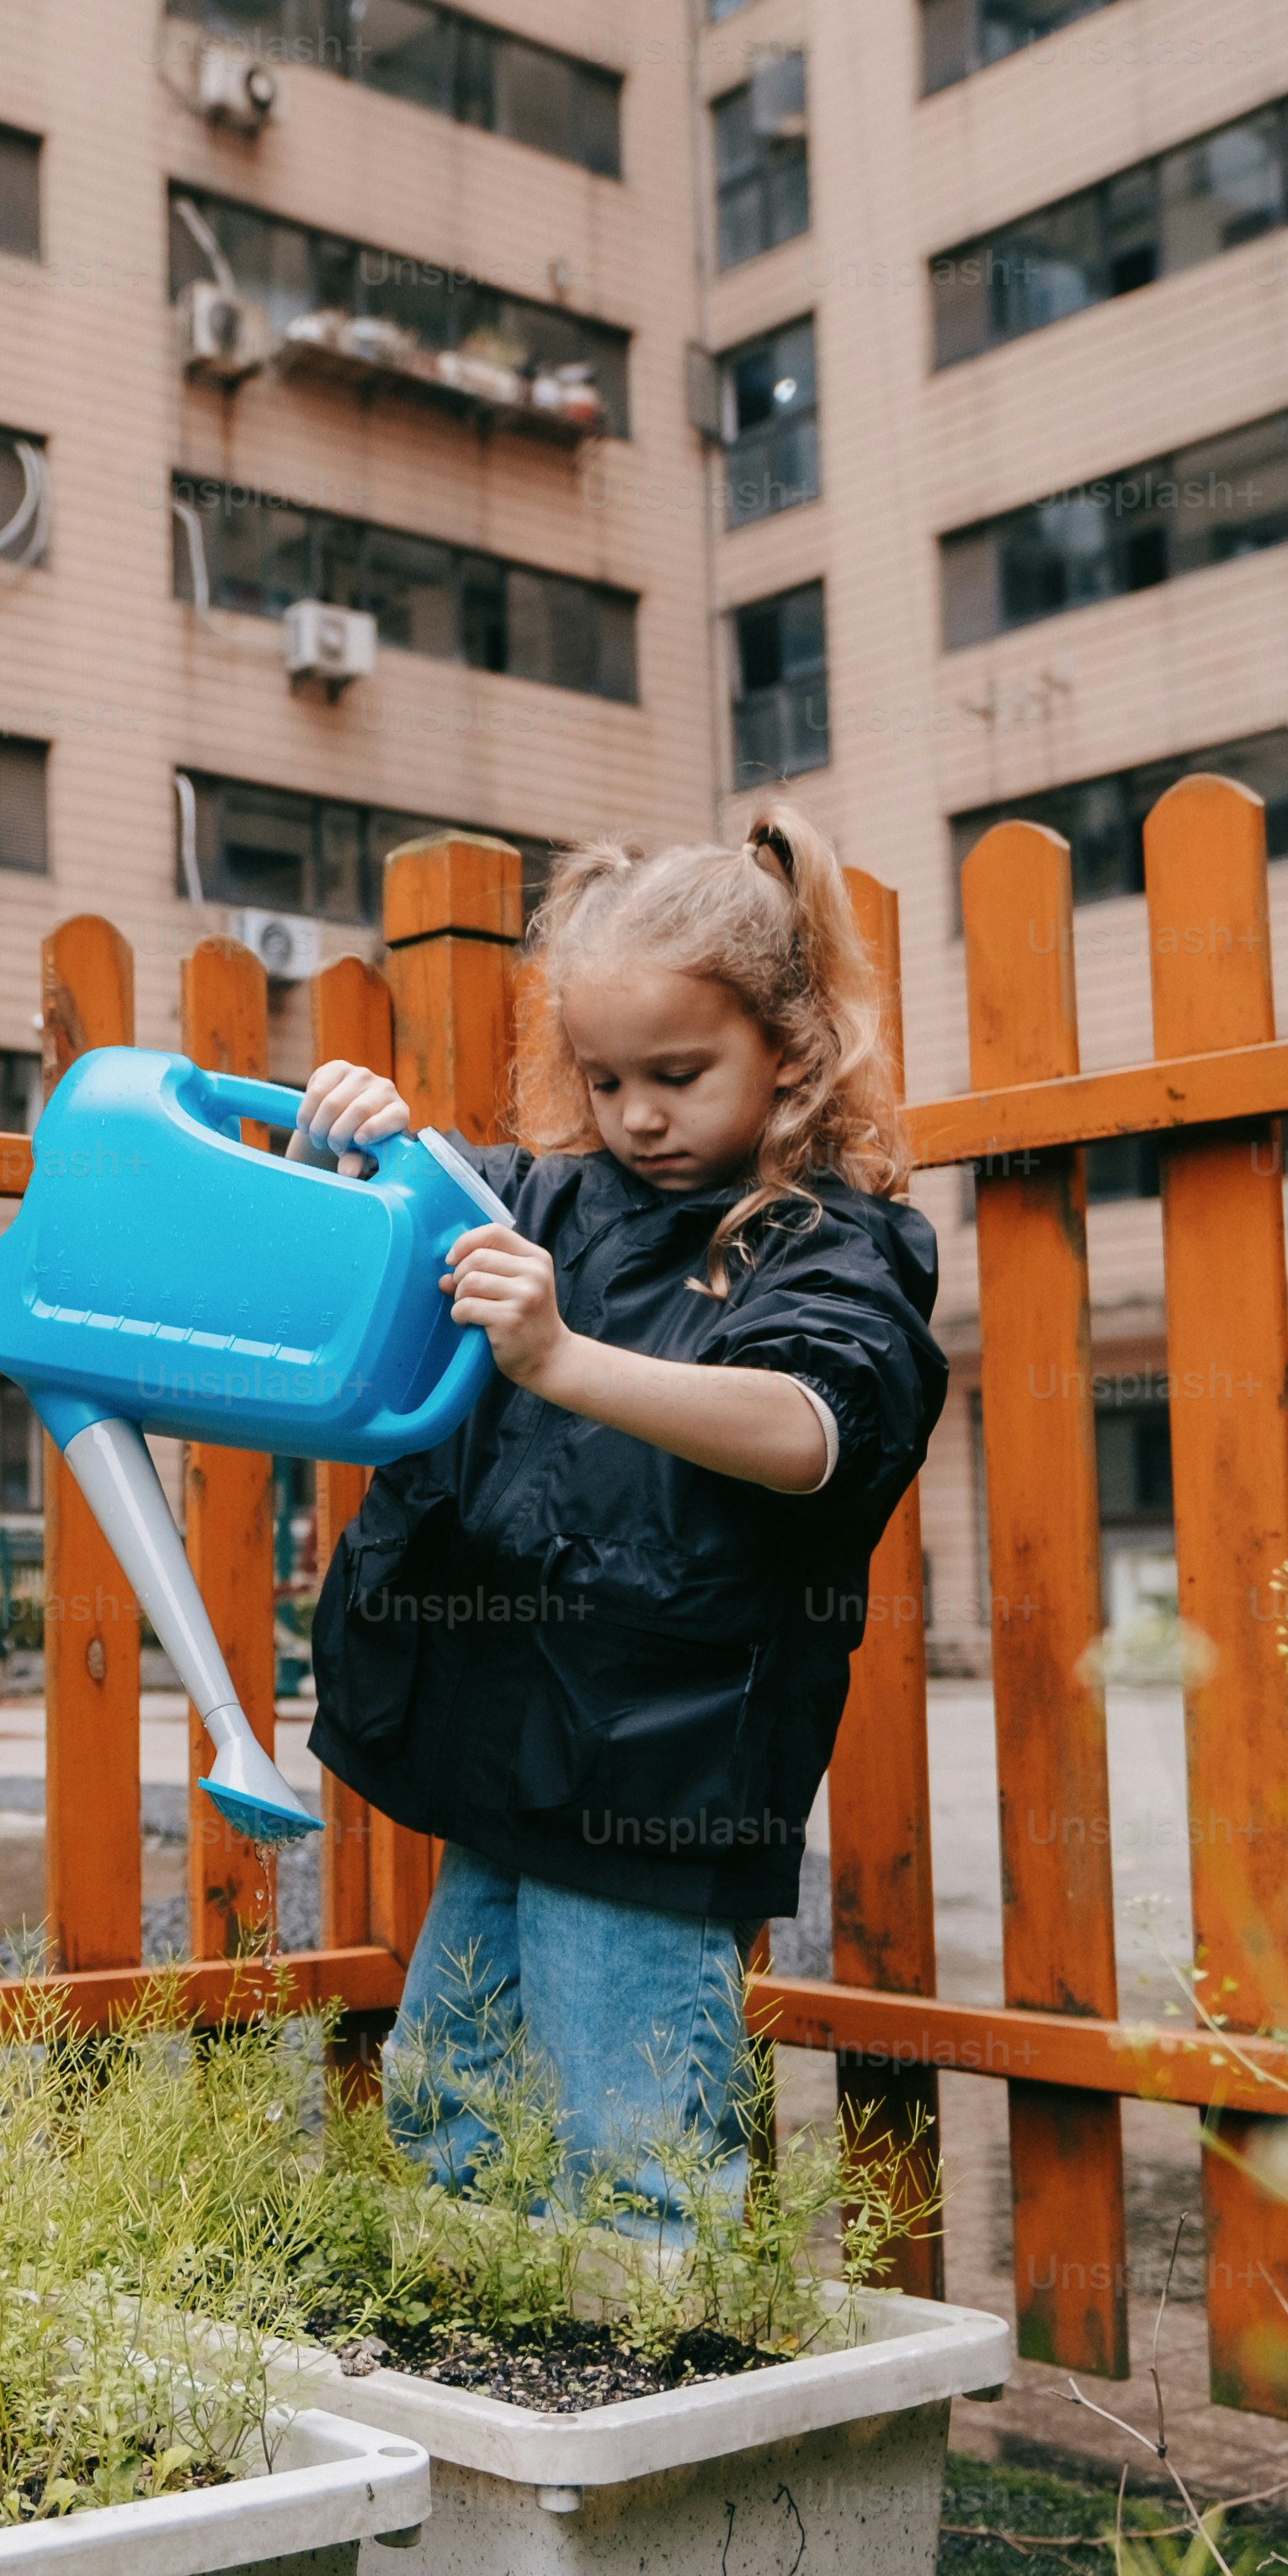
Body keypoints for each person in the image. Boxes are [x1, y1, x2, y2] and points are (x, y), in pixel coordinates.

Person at [290, 804, 943, 2234]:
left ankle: (665, 2420)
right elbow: (403, 1225)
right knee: (443, 2101)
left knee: (630, 2145)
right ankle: (492, 2402)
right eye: (603, 1077)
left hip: (657, 1783)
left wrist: (565, 1363)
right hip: (508, 1762)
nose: (636, 1114)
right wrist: (360, 1141)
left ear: (790, 1046)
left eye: (678, 1073)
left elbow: (810, 1428)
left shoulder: (826, 1242)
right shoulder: (546, 1202)